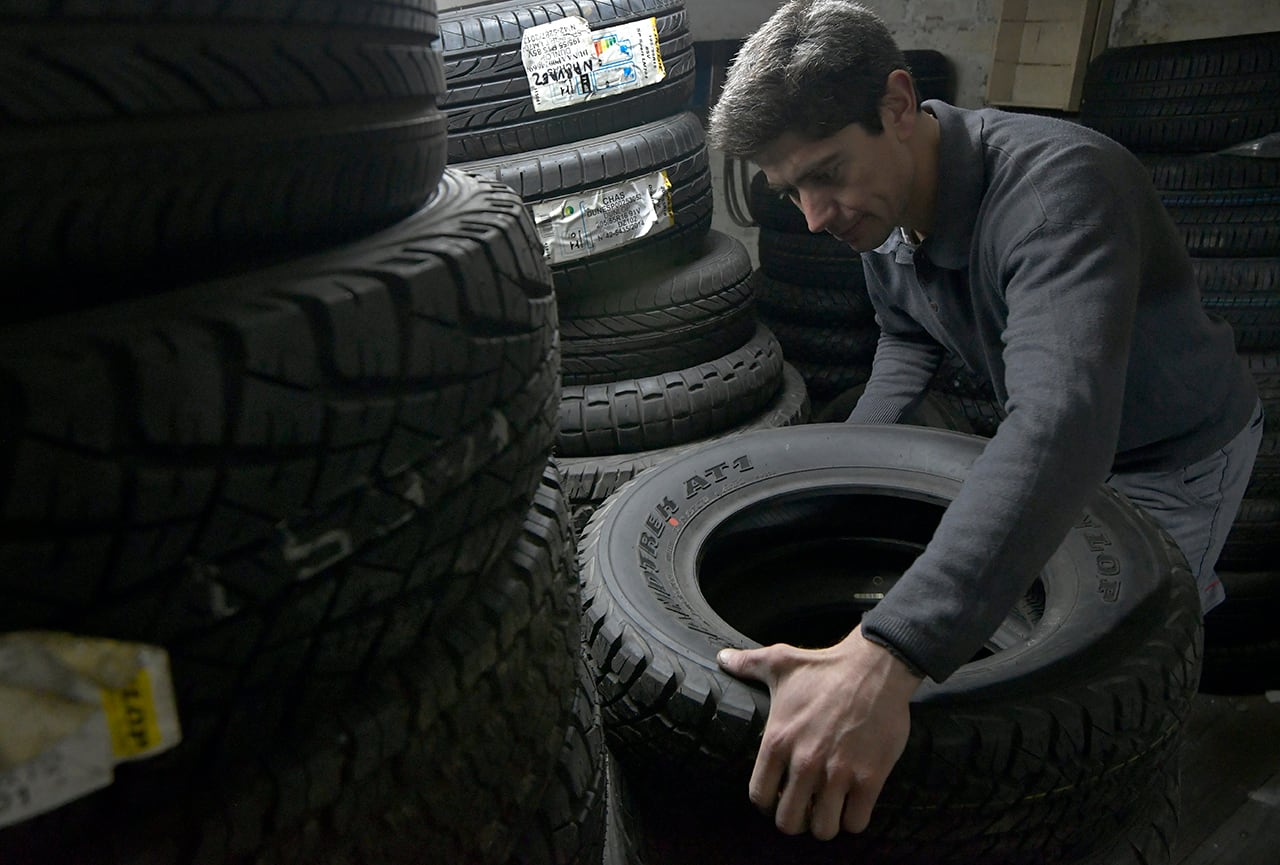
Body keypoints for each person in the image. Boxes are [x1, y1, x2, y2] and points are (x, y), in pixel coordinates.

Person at [706, 0, 1264, 844]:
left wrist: (886, 655)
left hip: (1171, 454)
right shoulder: (886, 208)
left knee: (1111, 661)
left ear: (898, 105)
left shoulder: (1058, 190)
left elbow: (1061, 421)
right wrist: (840, 477)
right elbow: (902, 340)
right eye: (791, 192)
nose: (815, 216)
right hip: (1063, 432)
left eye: (825, 173)